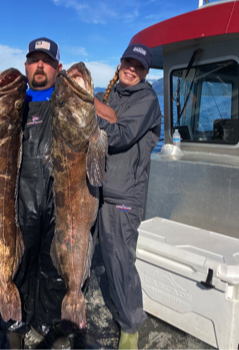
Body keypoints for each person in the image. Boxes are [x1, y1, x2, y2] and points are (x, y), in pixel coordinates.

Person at [0, 37, 70, 349]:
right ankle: (14, 325)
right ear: (26, 65)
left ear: (58, 67)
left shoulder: (69, 103)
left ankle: (49, 325)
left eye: (47, 61)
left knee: (54, 268)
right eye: (34, 60)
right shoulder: (13, 104)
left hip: (58, 200)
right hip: (20, 199)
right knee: (19, 265)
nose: (40, 66)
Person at [94, 43, 162, 349]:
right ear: (120, 63)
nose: (131, 68)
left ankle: (131, 325)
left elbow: (118, 135)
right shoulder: (107, 95)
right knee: (82, 255)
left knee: (120, 261)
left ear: (146, 71)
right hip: (93, 189)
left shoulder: (146, 99)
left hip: (123, 195)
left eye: (138, 65)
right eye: (128, 62)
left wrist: (92, 115)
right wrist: (99, 110)